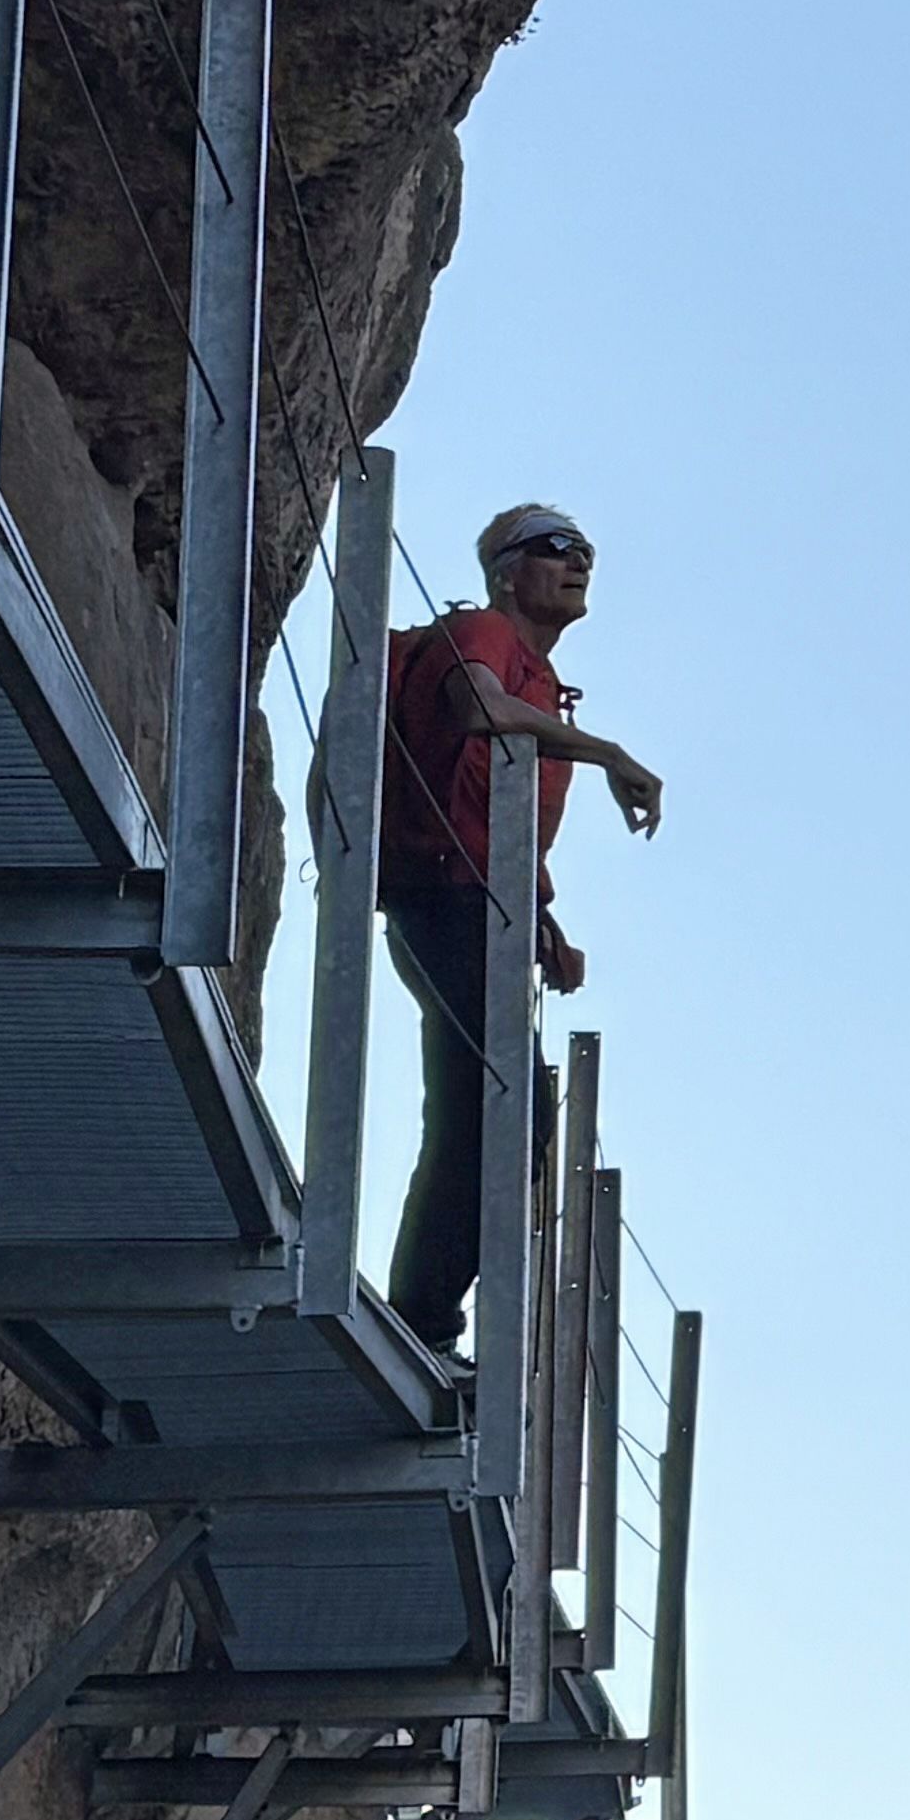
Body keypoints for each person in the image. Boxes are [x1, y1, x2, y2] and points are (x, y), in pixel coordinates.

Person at [379, 500, 661, 1360]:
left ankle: (421, 1323)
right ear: (506, 570)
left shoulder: (537, 682)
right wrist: (606, 752)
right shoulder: (484, 634)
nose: (578, 563)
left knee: (480, 1114)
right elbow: (474, 708)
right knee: (504, 1112)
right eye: (555, 548)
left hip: (473, 910)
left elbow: (484, 816)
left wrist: (541, 920)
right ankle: (422, 1326)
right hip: (442, 904)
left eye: (586, 552)